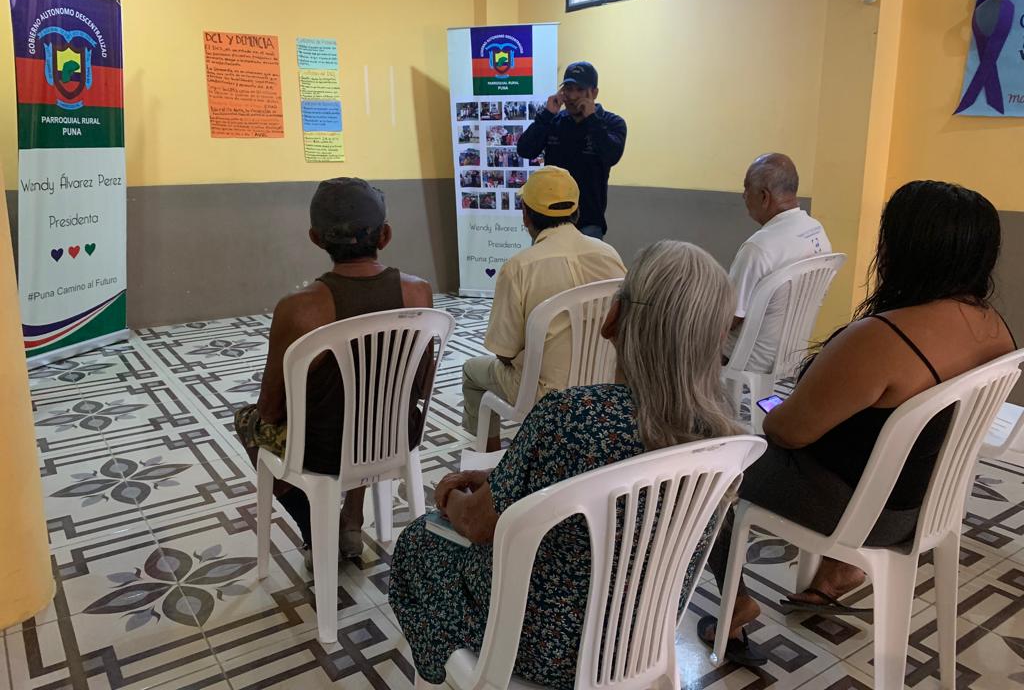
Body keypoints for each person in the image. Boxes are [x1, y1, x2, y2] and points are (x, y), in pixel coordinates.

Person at [390, 241, 744, 690]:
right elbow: (603, 484)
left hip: (539, 648)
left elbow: (478, 526)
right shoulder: (723, 434)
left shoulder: (571, 416)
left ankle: (440, 672)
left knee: (419, 540)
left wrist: (452, 498)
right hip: (641, 641)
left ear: (613, 319)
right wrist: (504, 476)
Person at [700, 181, 1016, 666]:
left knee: (708, 471)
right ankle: (837, 571)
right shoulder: (995, 327)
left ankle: (735, 604)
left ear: (906, 248)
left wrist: (772, 414)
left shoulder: (882, 338)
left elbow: (788, 432)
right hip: (924, 502)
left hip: (859, 510)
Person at [233, 178, 435, 563]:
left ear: (315, 238)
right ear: (385, 235)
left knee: (246, 420)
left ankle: (315, 527)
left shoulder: (298, 308)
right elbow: (422, 386)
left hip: (321, 451)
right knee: (369, 405)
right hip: (396, 434)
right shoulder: (418, 292)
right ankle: (352, 518)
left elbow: (271, 410)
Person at [461, 165, 626, 451]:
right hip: (605, 384)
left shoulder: (519, 267)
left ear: (525, 214)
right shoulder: (608, 254)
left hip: (547, 397)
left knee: (471, 372)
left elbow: (504, 351)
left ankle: (490, 466)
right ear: (576, 211)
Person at [725, 153, 831, 372]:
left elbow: (729, 318)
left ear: (764, 196)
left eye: (747, 188)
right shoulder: (816, 231)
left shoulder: (758, 248)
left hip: (743, 361)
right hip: (791, 359)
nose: (743, 196)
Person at [517, 61, 626, 240]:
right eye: (568, 89)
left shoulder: (612, 123)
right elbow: (525, 150)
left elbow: (611, 156)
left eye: (580, 90)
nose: (573, 96)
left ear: (594, 93)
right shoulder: (553, 121)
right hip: (549, 221)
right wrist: (547, 114)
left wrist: (592, 119)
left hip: (589, 222)